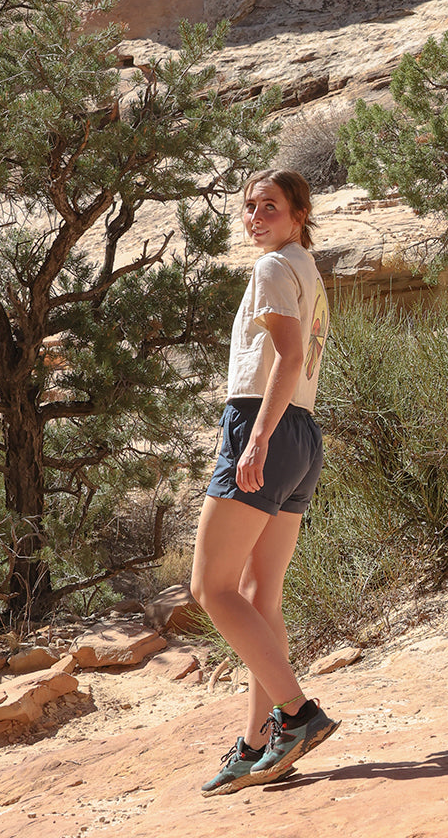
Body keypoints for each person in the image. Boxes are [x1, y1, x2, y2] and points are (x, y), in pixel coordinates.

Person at [190, 168, 338, 797]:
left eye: (270, 208)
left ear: (299, 214)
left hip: (265, 424)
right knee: (258, 594)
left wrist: (254, 439)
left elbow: (289, 356)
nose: (256, 218)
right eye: (250, 207)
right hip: (302, 433)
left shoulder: (273, 268)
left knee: (211, 588)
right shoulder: (307, 269)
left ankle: (297, 713)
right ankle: (258, 744)